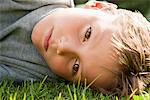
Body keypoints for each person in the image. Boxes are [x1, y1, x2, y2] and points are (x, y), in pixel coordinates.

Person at [0, 0, 149, 96]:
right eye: (87, 34)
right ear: (97, 6)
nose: (62, 47)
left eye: (76, 67)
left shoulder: (35, 73)